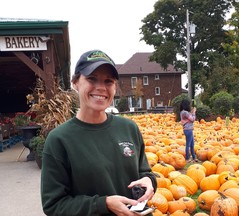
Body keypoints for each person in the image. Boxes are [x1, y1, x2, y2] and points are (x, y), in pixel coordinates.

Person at [41, 49, 157, 216]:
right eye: (91, 79)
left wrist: (149, 181)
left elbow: (144, 172)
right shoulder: (59, 139)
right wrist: (103, 204)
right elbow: (53, 205)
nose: (101, 88)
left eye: (108, 81)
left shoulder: (129, 128)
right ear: (75, 83)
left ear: (114, 87)